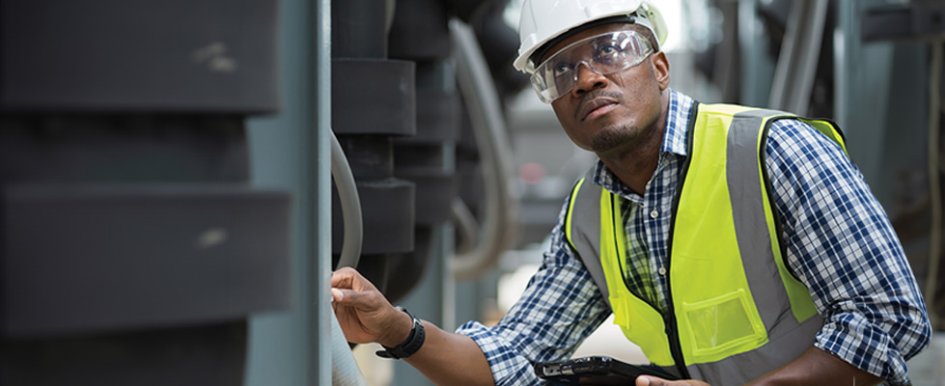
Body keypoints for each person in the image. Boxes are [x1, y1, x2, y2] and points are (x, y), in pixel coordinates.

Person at [330, 0, 932, 385]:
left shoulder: (774, 151)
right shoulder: (590, 215)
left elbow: (892, 321)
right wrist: (394, 329)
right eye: (560, 69)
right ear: (550, 99)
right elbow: (508, 357)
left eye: (611, 50)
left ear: (661, 67)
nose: (588, 77)